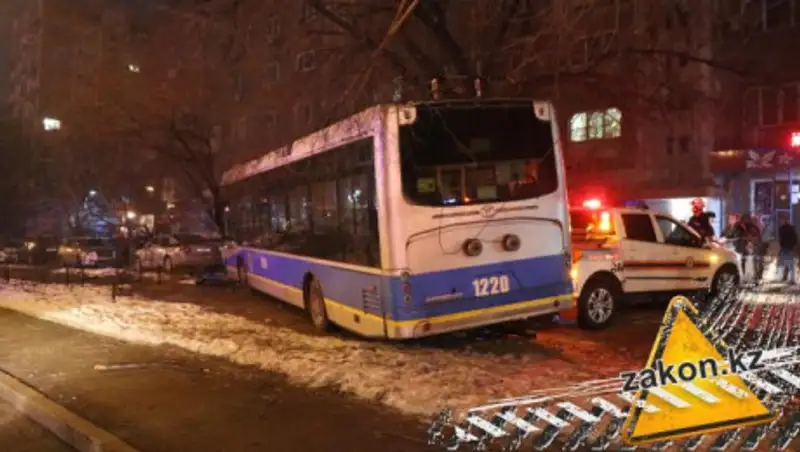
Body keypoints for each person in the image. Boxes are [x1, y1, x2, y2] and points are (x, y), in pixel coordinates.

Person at [778, 215, 798, 283]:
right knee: (789, 264)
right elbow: (795, 238)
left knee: (784, 263)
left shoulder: (782, 229)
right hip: (788, 247)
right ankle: (789, 278)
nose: (781, 221)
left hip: (786, 248)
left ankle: (785, 277)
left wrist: (782, 245)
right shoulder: (791, 228)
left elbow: (781, 239)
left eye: (781, 220)